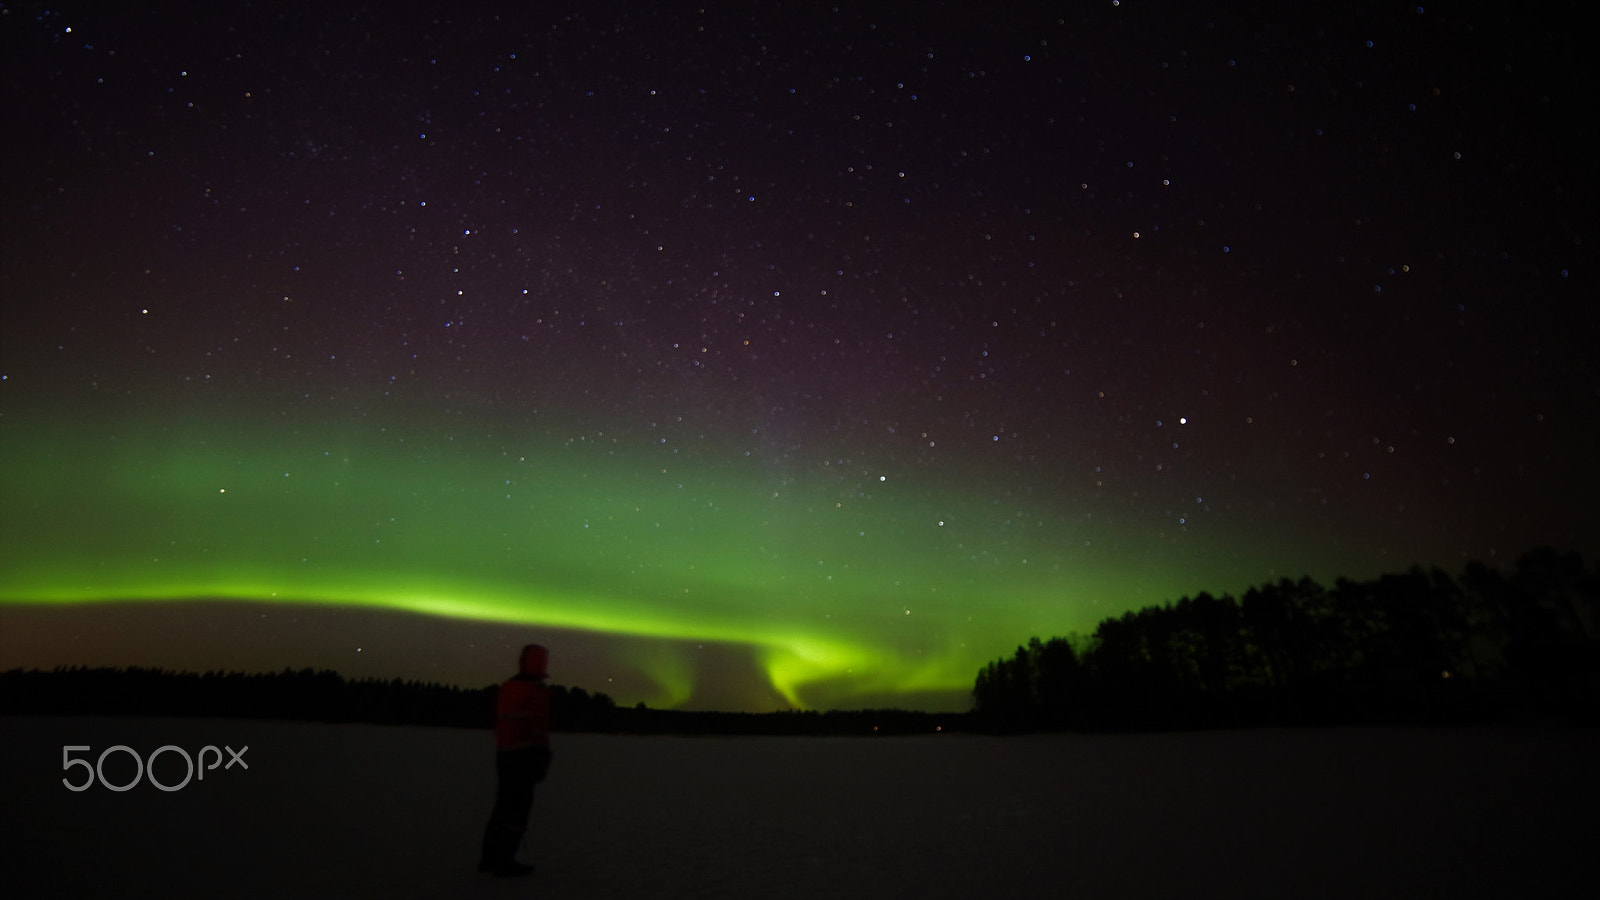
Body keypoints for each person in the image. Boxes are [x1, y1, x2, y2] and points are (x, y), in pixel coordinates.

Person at [478, 643, 553, 877]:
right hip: (525, 756)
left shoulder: (508, 686)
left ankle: (489, 858)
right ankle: (505, 861)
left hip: (504, 754)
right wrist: (542, 755)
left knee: (502, 807)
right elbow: (537, 726)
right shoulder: (535, 690)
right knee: (518, 810)